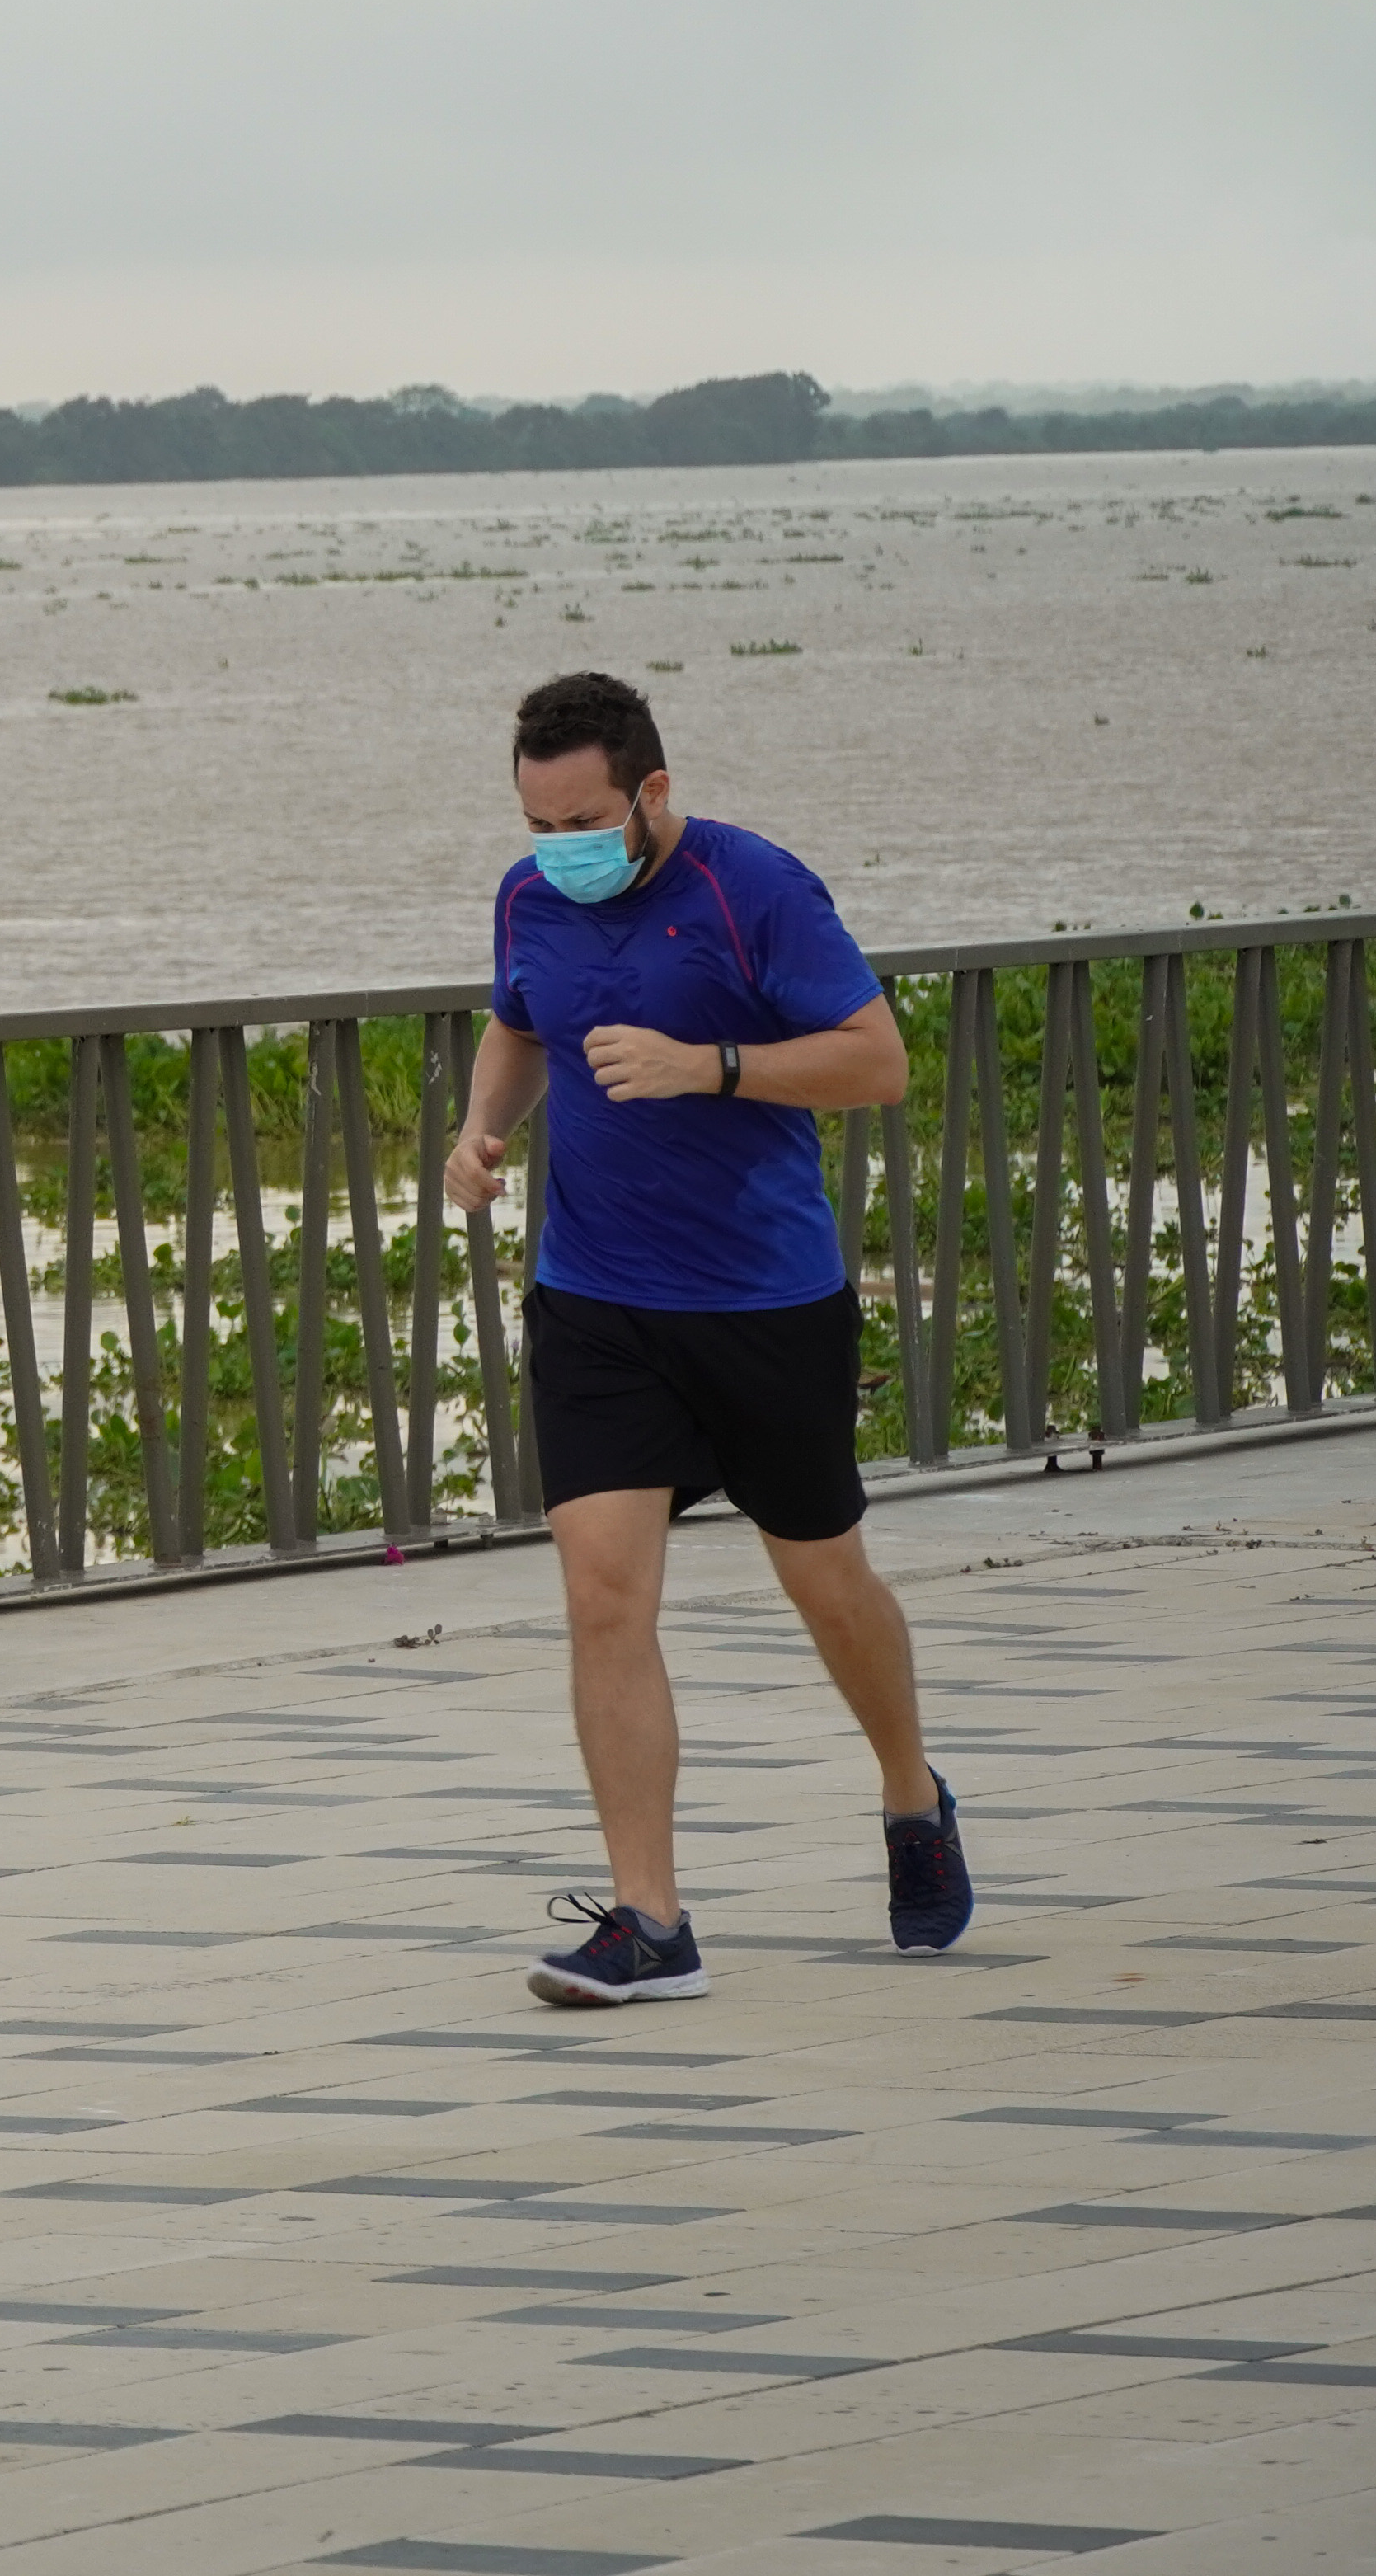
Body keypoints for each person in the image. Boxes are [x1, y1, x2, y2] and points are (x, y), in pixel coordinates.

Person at [440, 672, 974, 2005]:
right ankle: (651, 1920)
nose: (559, 846)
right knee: (602, 1597)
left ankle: (911, 1794)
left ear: (653, 793)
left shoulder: (757, 891)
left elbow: (878, 1063)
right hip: (599, 1304)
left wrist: (714, 1066)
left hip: (763, 1306)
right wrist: (480, 1129)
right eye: (536, 819)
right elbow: (519, 1023)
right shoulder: (530, 897)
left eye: (584, 818)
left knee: (826, 1583)